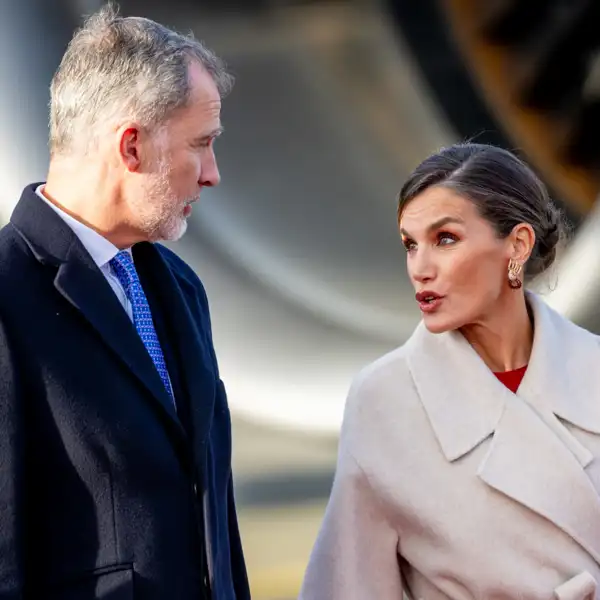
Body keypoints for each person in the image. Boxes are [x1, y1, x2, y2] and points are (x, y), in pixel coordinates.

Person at [0, 3, 250, 599]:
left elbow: (211, 512)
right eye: (202, 144)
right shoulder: (7, 297)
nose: (213, 174)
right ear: (132, 147)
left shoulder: (180, 288)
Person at [300, 143, 600, 600]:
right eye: (410, 244)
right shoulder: (386, 400)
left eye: (445, 239)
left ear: (517, 245)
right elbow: (349, 587)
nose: (420, 268)